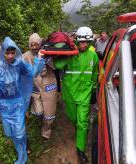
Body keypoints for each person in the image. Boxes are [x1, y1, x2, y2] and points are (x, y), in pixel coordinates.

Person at [0, 37, 45, 164]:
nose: (10, 56)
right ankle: (23, 144)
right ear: (3, 52)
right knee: (10, 133)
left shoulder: (19, 64)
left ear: (15, 52)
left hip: (17, 105)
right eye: (7, 53)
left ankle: (22, 157)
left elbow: (32, 73)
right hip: (4, 107)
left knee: (19, 134)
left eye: (12, 52)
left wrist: (39, 59)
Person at [53, 26, 99, 163]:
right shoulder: (71, 54)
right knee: (74, 119)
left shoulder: (93, 56)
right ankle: (78, 129)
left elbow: (95, 74)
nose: (84, 45)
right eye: (82, 42)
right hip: (70, 95)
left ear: (90, 42)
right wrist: (65, 53)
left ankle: (80, 150)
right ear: (77, 41)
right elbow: (58, 66)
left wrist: (93, 91)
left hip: (84, 94)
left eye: (86, 42)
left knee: (82, 123)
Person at [22, 33, 58, 139]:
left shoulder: (47, 53)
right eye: (31, 45)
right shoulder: (25, 57)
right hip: (35, 88)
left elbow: (57, 67)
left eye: (36, 44)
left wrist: (47, 59)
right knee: (38, 112)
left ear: (40, 44)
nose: (34, 47)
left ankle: (46, 132)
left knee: (49, 113)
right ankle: (39, 122)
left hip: (49, 86)